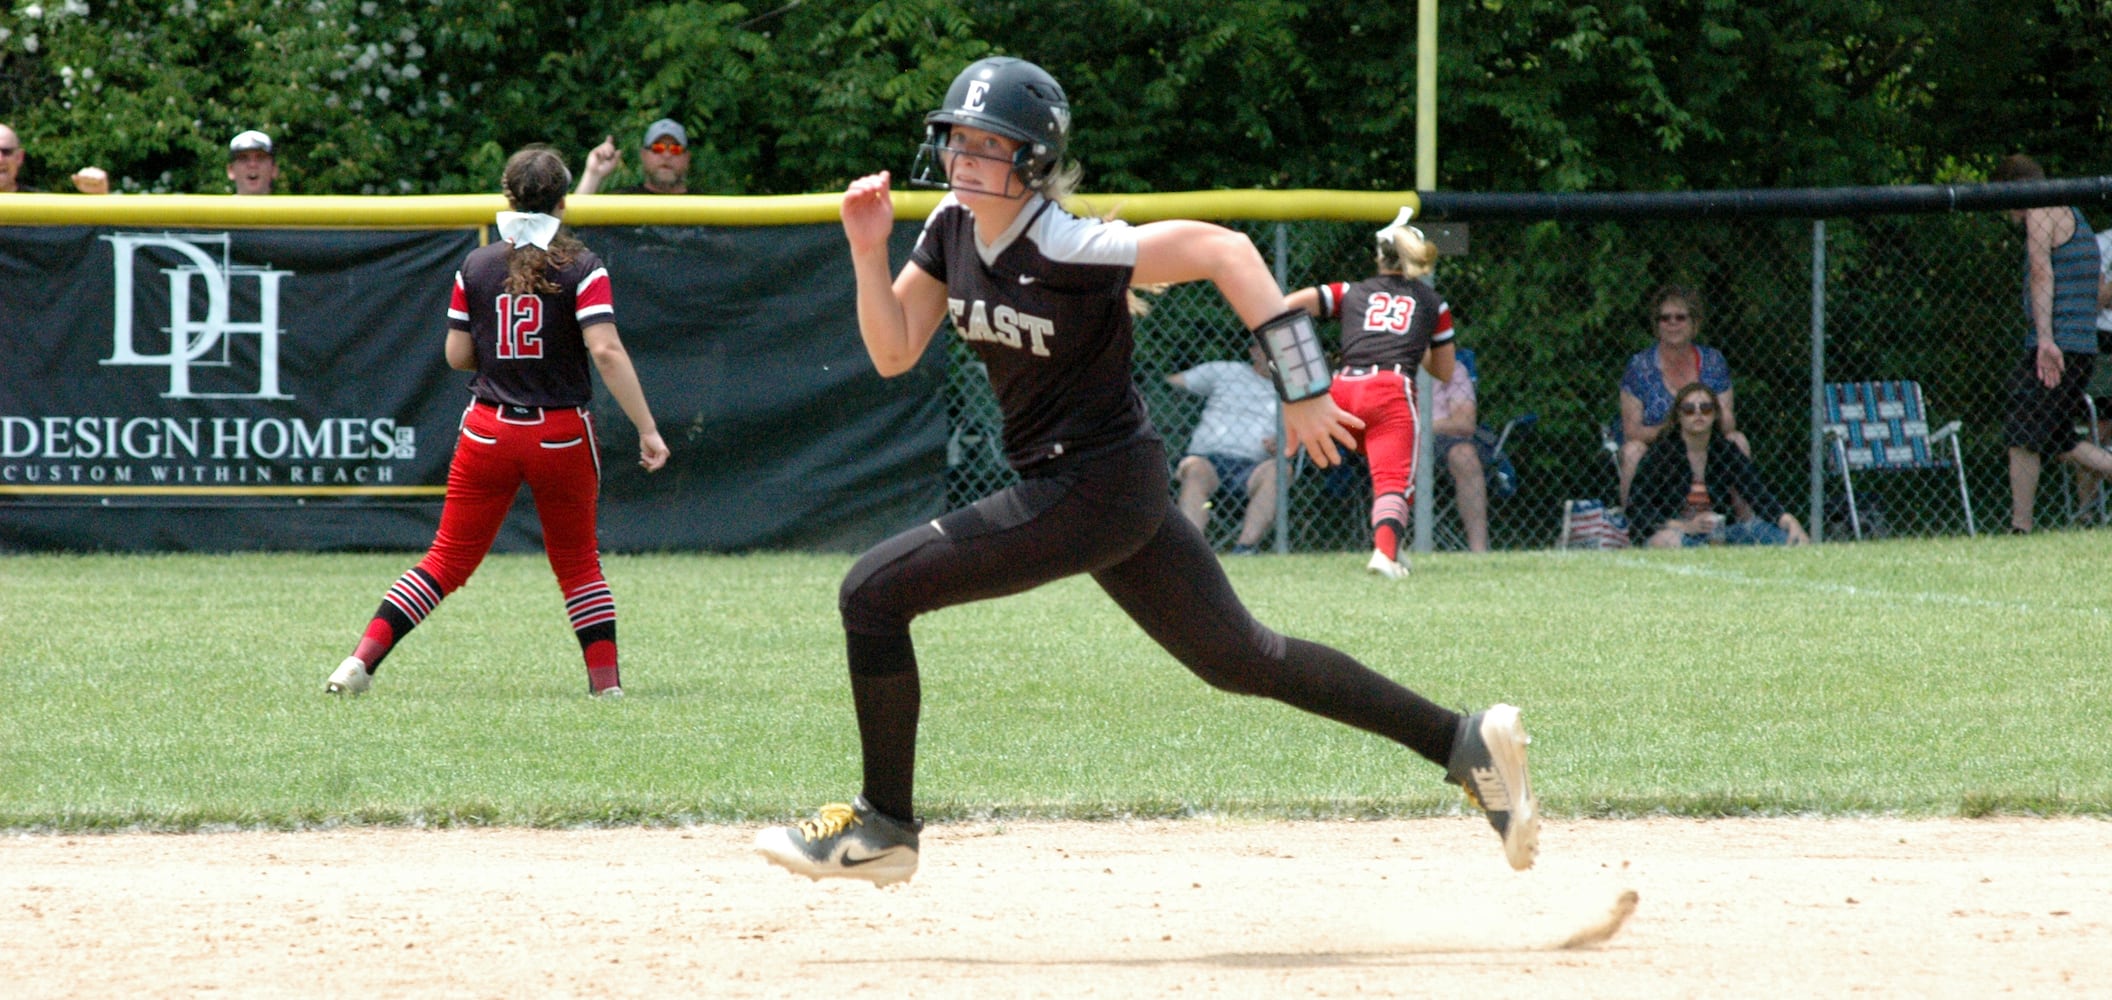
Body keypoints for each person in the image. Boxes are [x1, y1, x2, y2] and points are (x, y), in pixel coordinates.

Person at [752, 57, 1537, 886]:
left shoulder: (1065, 242)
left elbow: (1225, 249)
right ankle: (1463, 742)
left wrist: (1305, 387)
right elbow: (892, 350)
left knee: (871, 593)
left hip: (1088, 489)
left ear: (1035, 161)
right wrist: (865, 252)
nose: (965, 160)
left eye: (991, 145)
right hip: (1105, 490)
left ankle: (885, 824)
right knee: (1244, 659)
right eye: (957, 141)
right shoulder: (951, 225)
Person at [324, 146, 670, 699]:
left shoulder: (477, 265)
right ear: (562, 202)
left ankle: (359, 662)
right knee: (579, 564)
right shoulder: (584, 266)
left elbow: (457, 355)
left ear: (508, 197)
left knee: (445, 560)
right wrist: (648, 430)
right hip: (559, 432)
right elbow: (605, 350)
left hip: (489, 429)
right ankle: (605, 688)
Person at [1283, 207, 1459, 579]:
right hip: (1389, 390)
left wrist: (1304, 371)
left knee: (1381, 474)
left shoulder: (1351, 291)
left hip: (1340, 392)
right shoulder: (1432, 302)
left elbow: (1284, 307)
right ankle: (1383, 553)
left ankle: (1392, 549)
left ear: (1379, 256)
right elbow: (1443, 371)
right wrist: (1414, 339)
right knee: (1394, 480)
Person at [1991, 154, 2112, 533]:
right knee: (2058, 437)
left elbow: (2042, 274)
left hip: (2057, 348)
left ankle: (2019, 526)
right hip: (2079, 345)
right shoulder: (2074, 213)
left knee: (2022, 431)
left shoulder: (2042, 212)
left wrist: (2046, 340)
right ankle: (2020, 525)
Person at [1629, 382, 1808, 548]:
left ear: (1715, 415)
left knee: (1782, 539)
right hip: (1677, 532)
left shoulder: (1724, 450)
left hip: (1720, 532)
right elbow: (1637, 508)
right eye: (1689, 409)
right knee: (1666, 541)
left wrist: (1788, 520)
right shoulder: (1662, 454)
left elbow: (1757, 491)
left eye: (1706, 408)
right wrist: (1686, 526)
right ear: (1679, 416)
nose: (1698, 414)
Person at [1616, 285, 1747, 507]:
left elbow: (1728, 422)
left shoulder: (1714, 362)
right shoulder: (1639, 367)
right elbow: (1632, 431)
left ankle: (1747, 526)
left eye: (1680, 317)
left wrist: (1699, 428)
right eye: (1664, 318)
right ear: (1657, 325)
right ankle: (1635, 528)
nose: (1672, 323)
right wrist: (1678, 428)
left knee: (1738, 440)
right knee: (1632, 451)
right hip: (1658, 453)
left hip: (1706, 446)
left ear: (1695, 323)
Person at [1167, 344, 1283, 555]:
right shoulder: (1226, 371)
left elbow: (1301, 432)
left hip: (1254, 467)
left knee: (1279, 470)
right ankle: (1192, 550)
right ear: (1253, 351)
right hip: (1207, 460)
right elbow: (1170, 382)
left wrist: (1283, 442)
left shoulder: (1290, 390)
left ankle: (1244, 548)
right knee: (1195, 470)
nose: (1274, 354)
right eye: (1266, 348)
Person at [1429, 346, 1490, 553]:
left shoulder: (1452, 368)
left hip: (1443, 438)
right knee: (1386, 455)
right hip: (1400, 437)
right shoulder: (1390, 368)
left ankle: (1478, 550)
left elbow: (1464, 423)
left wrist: (1421, 424)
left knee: (1465, 456)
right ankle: (1387, 547)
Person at [575, 119, 690, 195]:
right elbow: (571, 227)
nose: (666, 155)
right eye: (657, 148)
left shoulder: (705, 205)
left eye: (675, 149)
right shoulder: (621, 201)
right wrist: (593, 175)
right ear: (643, 155)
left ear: (687, 158)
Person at [0, 122, 109, 194]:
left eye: (6, 151)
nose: (0, 159)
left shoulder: (43, 206)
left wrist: (99, 196)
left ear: (19, 157)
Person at [227, 130, 277, 195]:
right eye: (243, 158)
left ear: (274, 169)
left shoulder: (292, 205)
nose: (252, 164)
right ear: (231, 170)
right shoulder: (214, 205)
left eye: (260, 158)